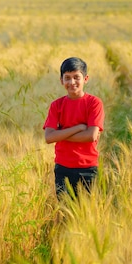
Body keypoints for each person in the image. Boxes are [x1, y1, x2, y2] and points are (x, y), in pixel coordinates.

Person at [43, 57, 105, 198]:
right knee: (65, 211)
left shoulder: (94, 103)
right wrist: (79, 127)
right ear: (61, 80)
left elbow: (91, 136)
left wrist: (60, 134)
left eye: (76, 77)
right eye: (67, 78)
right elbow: (48, 137)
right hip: (62, 168)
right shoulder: (56, 105)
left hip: (87, 168)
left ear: (86, 78)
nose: (72, 82)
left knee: (87, 213)